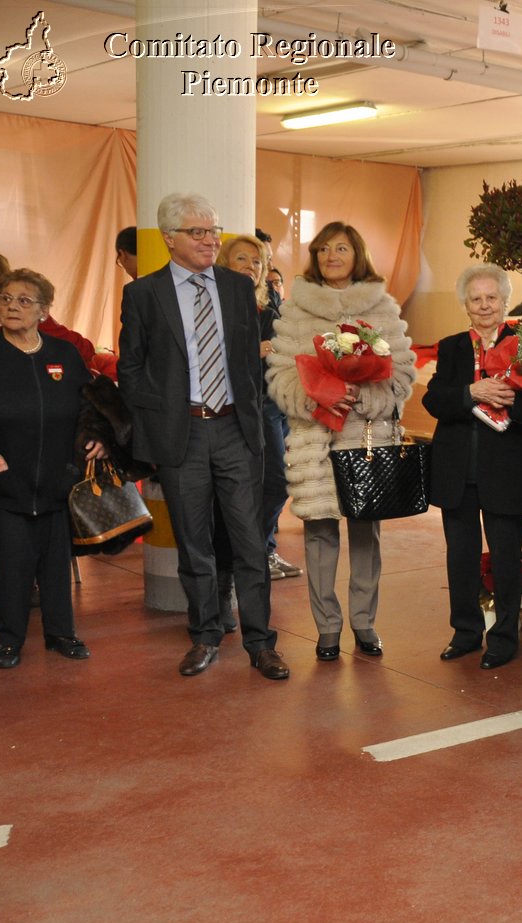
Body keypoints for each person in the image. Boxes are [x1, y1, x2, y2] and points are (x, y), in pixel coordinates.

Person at [117, 193, 289, 680]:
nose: (211, 241)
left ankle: (261, 644)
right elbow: (131, 369)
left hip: (236, 429)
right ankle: (205, 636)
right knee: (194, 546)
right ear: (169, 238)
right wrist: (157, 426)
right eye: (199, 232)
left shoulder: (237, 288)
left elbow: (247, 363)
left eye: (213, 232)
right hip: (182, 435)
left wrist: (252, 416)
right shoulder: (144, 295)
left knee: (250, 543)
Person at [267, 222, 416, 662]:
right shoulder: (296, 311)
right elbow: (279, 375)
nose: (333, 256)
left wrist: (366, 396)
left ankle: (365, 624)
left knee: (366, 534)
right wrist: (317, 394)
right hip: (315, 437)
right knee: (319, 535)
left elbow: (403, 372)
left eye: (342, 248)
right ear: (315, 256)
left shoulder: (383, 307)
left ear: (358, 254)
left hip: (367, 436)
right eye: (325, 249)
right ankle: (327, 628)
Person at [423, 264, 522, 669]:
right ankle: (465, 633)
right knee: (460, 557)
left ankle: (504, 637)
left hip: (506, 471)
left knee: (504, 558)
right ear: (465, 305)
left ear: (504, 302)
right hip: (457, 469)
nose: (484, 306)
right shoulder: (451, 347)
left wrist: (514, 398)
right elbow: (434, 401)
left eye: (491, 298)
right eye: (476, 299)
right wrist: (471, 392)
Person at [0, 269, 106, 668]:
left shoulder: (63, 354)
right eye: (6, 299)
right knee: (13, 564)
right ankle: (10, 641)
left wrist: (97, 436)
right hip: (5, 478)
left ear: (43, 311)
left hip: (59, 476)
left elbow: (89, 404)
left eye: (24, 301)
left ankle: (62, 634)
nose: (12, 307)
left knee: (55, 563)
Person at [219, 233, 298, 582]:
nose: (250, 267)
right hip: (241, 407)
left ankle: (261, 550)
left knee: (276, 482)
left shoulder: (267, 305)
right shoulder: (215, 304)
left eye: (256, 262)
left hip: (275, 402)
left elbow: (280, 347)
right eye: (241, 260)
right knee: (270, 482)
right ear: (224, 263)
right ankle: (252, 552)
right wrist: (256, 348)